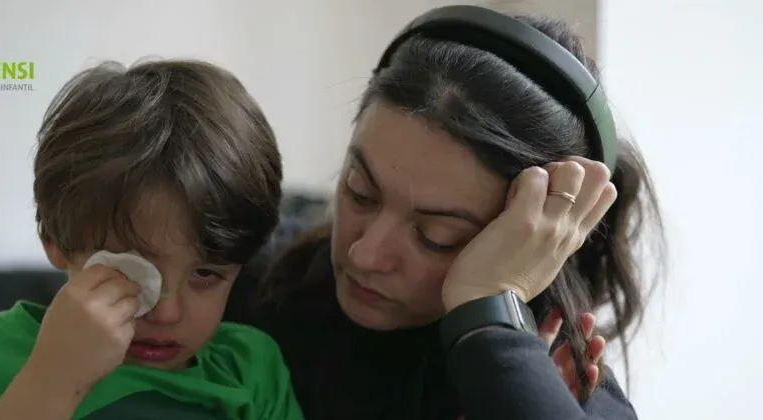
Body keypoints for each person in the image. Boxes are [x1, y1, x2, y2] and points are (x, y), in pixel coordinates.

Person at [225, 6, 666, 420]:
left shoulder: (561, 379)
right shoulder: (236, 289)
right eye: (360, 193)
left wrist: (491, 318)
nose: (364, 255)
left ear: (535, 235)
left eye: (437, 236)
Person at [0, 59, 303, 420]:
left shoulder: (250, 370)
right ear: (55, 238)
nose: (166, 312)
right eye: (135, 272)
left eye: (206, 274)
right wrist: (54, 379)